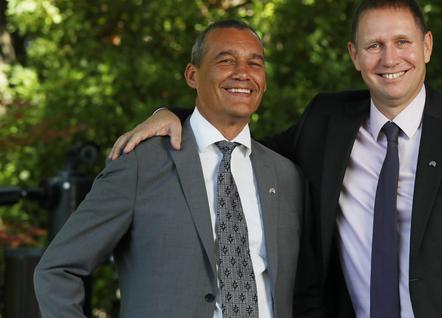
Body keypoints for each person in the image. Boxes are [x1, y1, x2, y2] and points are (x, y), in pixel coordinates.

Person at [110, 0, 442, 317]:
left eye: (402, 42)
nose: (389, 59)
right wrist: (172, 114)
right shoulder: (326, 124)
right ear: (354, 55)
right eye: (374, 46)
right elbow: (238, 142)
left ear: (426, 47)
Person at [34, 20, 318, 318]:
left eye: (254, 63)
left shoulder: (287, 177)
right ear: (192, 75)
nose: (242, 73)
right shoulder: (141, 164)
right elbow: (57, 270)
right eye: (226, 60)